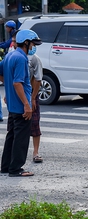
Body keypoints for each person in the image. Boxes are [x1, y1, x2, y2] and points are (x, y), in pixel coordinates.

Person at [0, 29, 42, 177]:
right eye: (32, 44)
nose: (32, 46)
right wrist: (26, 104)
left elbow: (2, 74)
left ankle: (6, 166)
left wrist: (9, 92)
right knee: (21, 137)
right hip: (20, 105)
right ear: (26, 42)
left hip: (12, 104)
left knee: (11, 135)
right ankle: (16, 168)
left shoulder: (10, 55)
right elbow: (18, 83)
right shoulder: (21, 58)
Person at [10, 29, 44, 163]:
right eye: (33, 44)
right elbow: (15, 81)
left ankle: (35, 152)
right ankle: (15, 163)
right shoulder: (17, 57)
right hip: (21, 98)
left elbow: (38, 80)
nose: (33, 47)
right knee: (16, 130)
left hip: (29, 96)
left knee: (34, 126)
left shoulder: (34, 59)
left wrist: (33, 98)